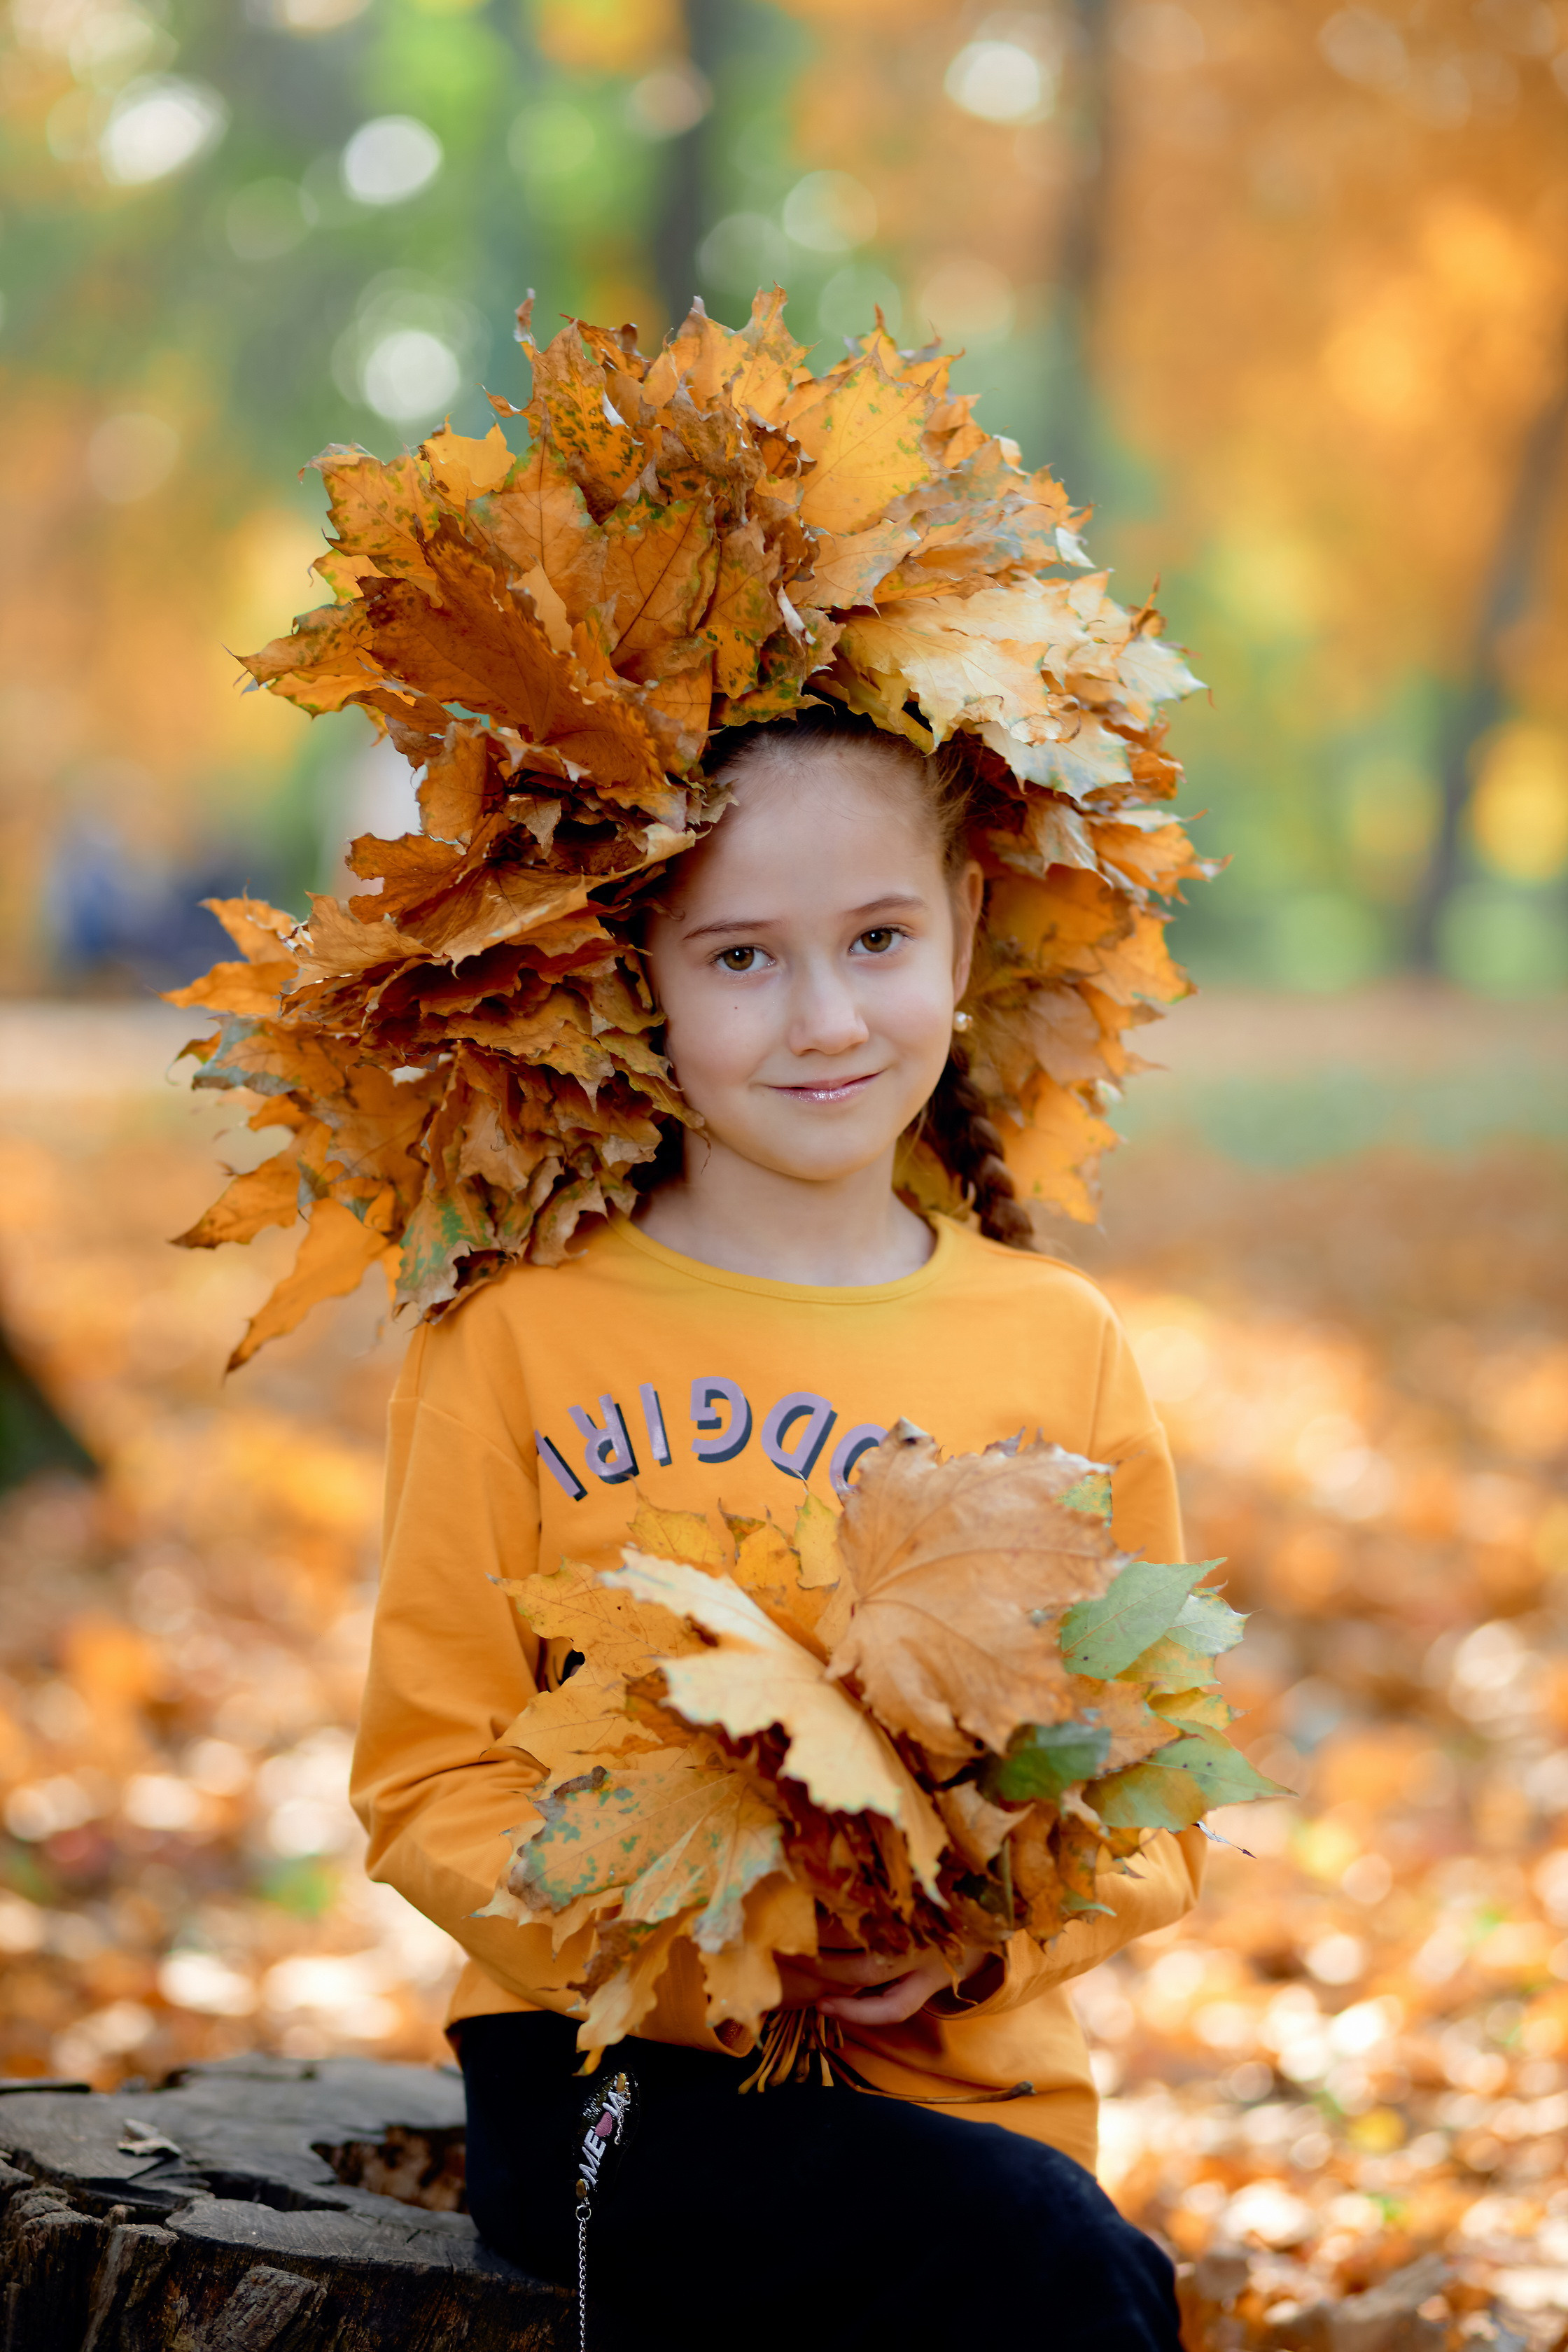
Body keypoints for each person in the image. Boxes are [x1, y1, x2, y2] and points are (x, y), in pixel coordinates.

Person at [351, 708, 1203, 2349]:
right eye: (741, 959)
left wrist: (986, 1944)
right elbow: (424, 1783)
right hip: (613, 2086)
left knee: (1043, 2250)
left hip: (967, 2095)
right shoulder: (519, 1339)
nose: (824, 1018)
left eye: (877, 940)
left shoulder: (1058, 1343)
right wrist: (711, 1942)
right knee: (1034, 2258)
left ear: (961, 925)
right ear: (639, 977)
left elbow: (1148, 1807)